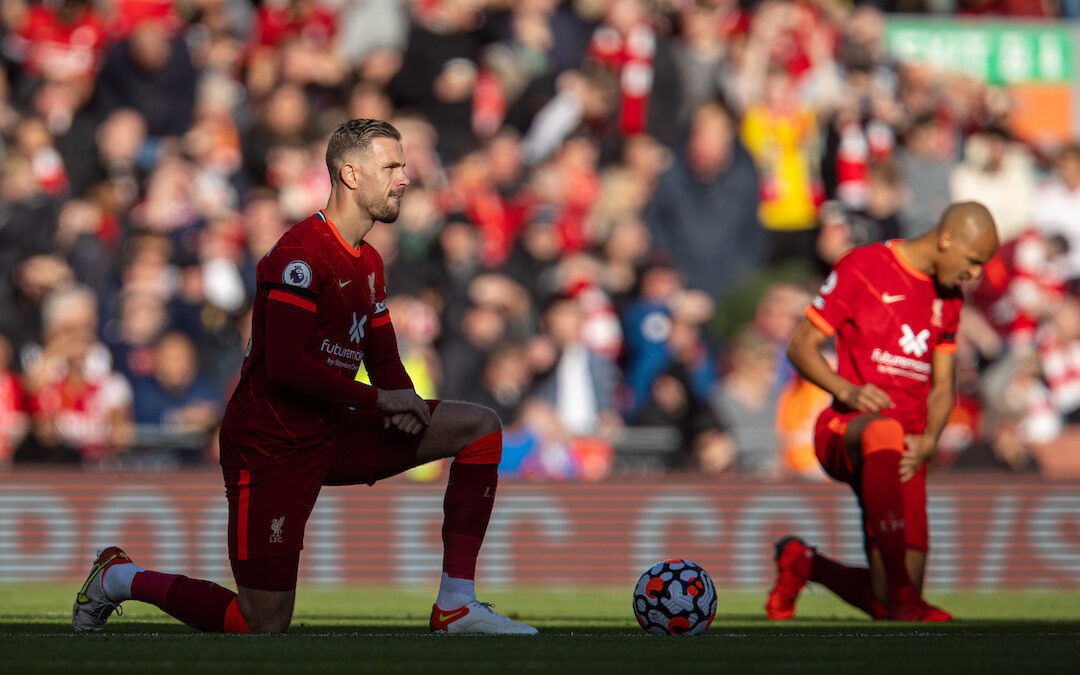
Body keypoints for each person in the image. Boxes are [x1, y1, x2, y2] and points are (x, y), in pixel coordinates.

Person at [73, 119, 538, 635]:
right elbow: (286, 366)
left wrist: (402, 399)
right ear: (351, 174)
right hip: (271, 446)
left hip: (334, 429)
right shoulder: (300, 255)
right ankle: (119, 577)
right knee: (261, 623)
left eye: (403, 166)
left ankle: (456, 604)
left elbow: (384, 358)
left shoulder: (370, 263)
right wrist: (380, 401)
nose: (405, 178)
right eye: (392, 166)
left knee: (478, 427)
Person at [768, 202, 998, 622]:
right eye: (973, 261)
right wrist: (847, 390)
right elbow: (800, 347)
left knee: (885, 604)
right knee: (883, 432)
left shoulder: (949, 297)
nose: (976, 274)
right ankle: (903, 591)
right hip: (847, 429)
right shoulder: (863, 266)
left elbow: (943, 385)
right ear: (947, 240)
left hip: (909, 445)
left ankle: (802, 562)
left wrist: (929, 439)